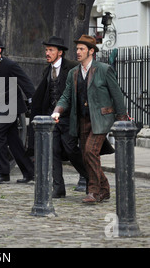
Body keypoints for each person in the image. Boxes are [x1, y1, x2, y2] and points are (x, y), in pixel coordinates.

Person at [52, 35, 127, 204]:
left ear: (91, 51)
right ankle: (105, 189)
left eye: (81, 49)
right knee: (86, 156)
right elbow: (66, 96)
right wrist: (57, 110)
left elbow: (116, 95)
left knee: (90, 152)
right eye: (77, 49)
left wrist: (122, 119)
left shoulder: (104, 69)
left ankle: (93, 191)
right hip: (82, 120)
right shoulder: (74, 73)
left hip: (101, 119)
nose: (77, 52)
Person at [31, 36, 88, 198]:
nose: (47, 53)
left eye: (51, 50)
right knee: (53, 151)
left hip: (70, 117)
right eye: (46, 50)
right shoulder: (47, 70)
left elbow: (81, 90)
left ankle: (89, 178)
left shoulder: (72, 67)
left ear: (60, 52)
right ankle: (58, 188)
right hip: (53, 118)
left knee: (71, 149)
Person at [0, 34, 35, 184]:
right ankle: (30, 172)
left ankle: (4, 172)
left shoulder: (10, 65)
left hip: (13, 107)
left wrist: (32, 99)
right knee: (14, 141)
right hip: (2, 107)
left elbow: (25, 82)